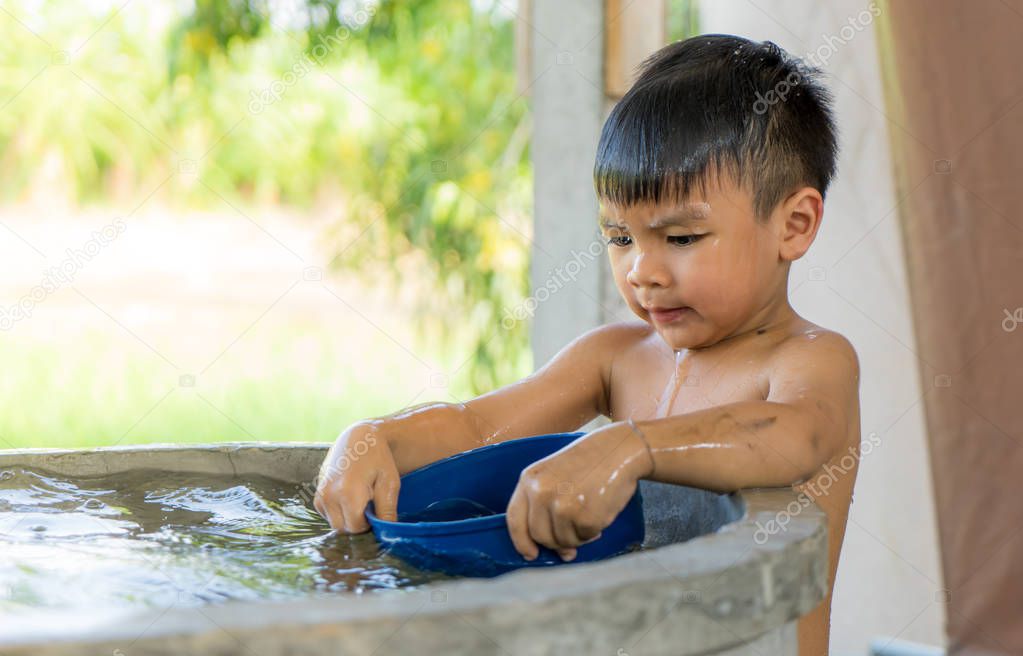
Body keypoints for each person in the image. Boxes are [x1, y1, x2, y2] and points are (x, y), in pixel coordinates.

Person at [314, 33, 860, 656]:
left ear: (794, 225)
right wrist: (372, 437)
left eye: (681, 237)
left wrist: (626, 445)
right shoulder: (616, 359)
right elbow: (476, 424)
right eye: (620, 237)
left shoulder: (811, 360)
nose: (642, 271)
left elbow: (794, 435)